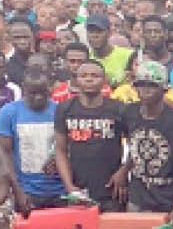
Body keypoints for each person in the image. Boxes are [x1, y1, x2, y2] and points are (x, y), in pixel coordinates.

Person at [115, 61, 173, 222]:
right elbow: (135, 145)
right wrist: (124, 170)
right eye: (141, 85)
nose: (145, 90)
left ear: (164, 89)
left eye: (152, 85)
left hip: (167, 197)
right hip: (138, 193)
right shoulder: (129, 113)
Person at [52, 61, 129, 211]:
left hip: (111, 189)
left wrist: (123, 171)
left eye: (95, 76)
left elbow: (135, 144)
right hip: (79, 189)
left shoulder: (118, 108)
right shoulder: (64, 108)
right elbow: (60, 150)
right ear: (75, 80)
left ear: (104, 80)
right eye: (84, 76)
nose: (89, 79)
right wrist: (69, 186)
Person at [0, 69, 63, 212]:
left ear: (50, 88)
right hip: (27, 191)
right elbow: (4, 155)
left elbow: (69, 146)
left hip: (60, 190)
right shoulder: (8, 113)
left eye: (43, 93)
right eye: (33, 93)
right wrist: (17, 191)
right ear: (23, 89)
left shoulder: (60, 111)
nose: (38, 97)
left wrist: (58, 158)